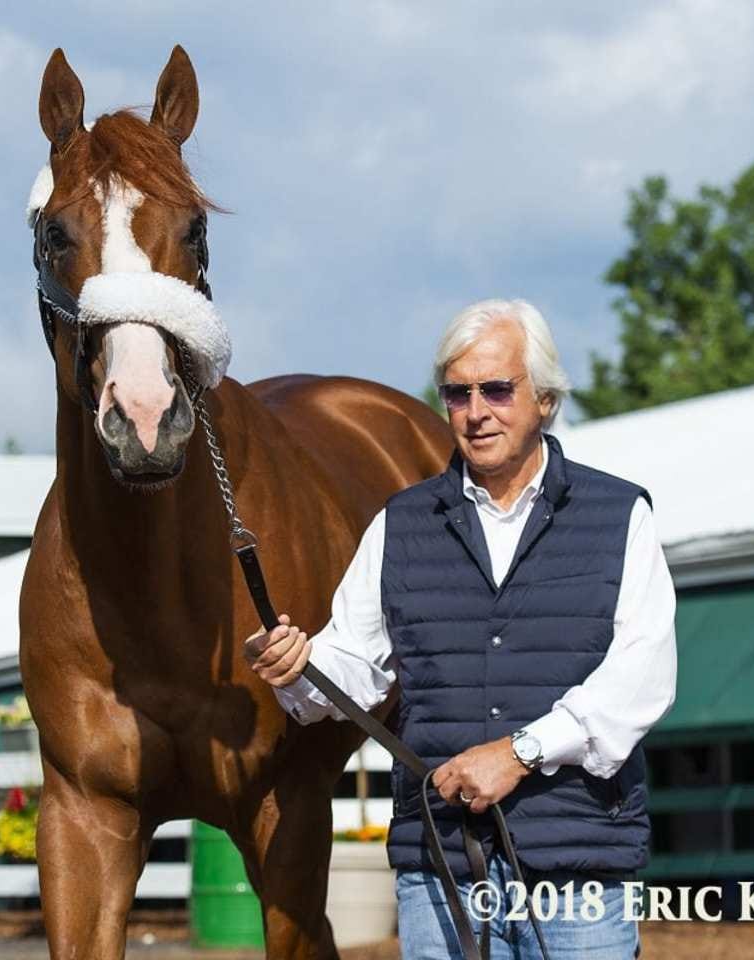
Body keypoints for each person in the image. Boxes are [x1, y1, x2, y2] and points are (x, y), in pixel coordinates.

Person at [244, 299, 677, 959]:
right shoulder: (399, 525)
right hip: (440, 870)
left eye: (498, 389)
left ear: (546, 400)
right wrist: (299, 668)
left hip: (577, 867)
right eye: (457, 393)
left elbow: (642, 679)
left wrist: (520, 752)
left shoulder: (620, 516)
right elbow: (353, 668)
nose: (477, 411)